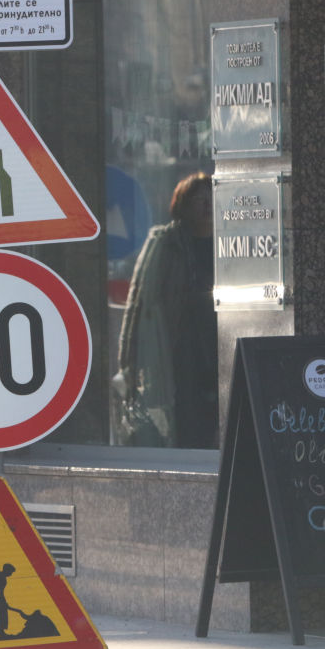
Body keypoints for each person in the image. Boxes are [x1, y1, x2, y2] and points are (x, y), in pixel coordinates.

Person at [115, 171, 217, 449]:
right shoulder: (165, 243)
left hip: (221, 340)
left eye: (212, 197)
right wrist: (128, 364)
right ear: (183, 205)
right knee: (186, 418)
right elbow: (139, 304)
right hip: (180, 347)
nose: (207, 205)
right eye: (199, 199)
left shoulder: (228, 242)